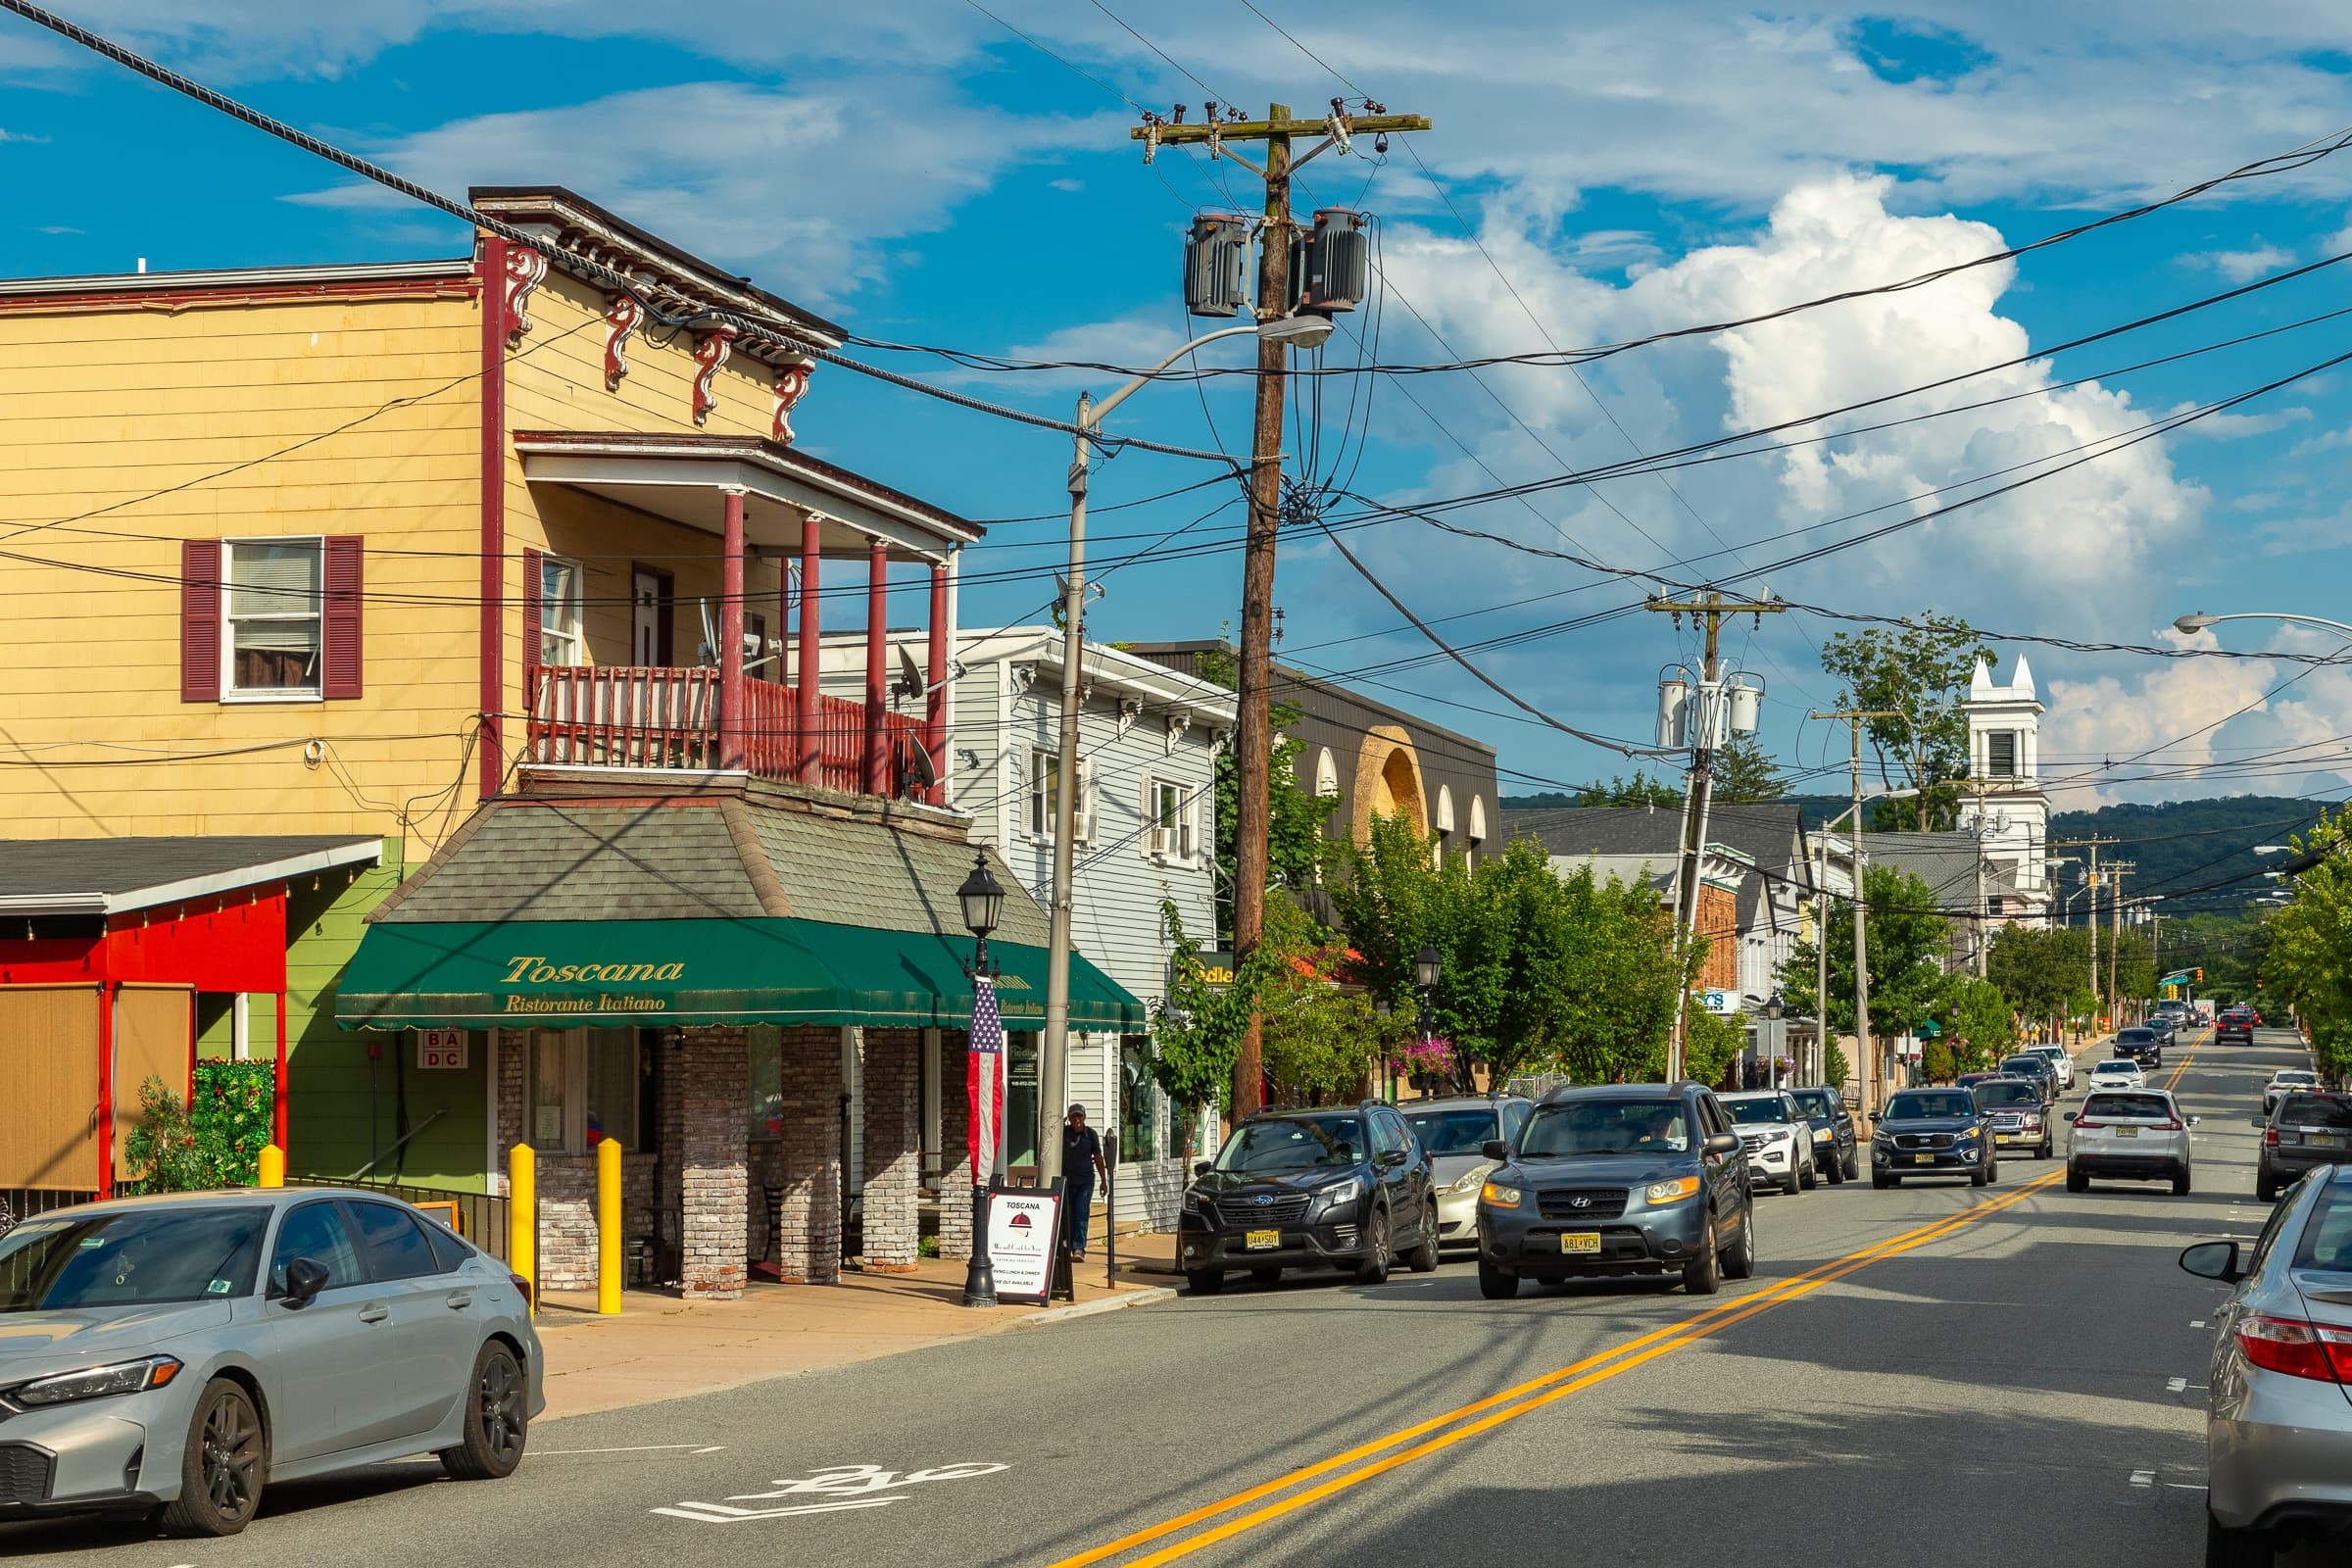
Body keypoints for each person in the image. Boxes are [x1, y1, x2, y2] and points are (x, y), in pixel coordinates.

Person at [1061, 1103, 1108, 1259]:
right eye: (1073, 1116)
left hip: (1085, 1181)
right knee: (1069, 1214)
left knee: (1081, 1212)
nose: (1077, 1119)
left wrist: (1103, 1180)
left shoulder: (1091, 1134)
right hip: (1067, 1180)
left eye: (1079, 1116)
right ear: (1069, 1118)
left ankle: (1079, 1248)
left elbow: (1098, 1157)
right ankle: (1067, 1246)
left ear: (1084, 1117)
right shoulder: (1064, 1133)